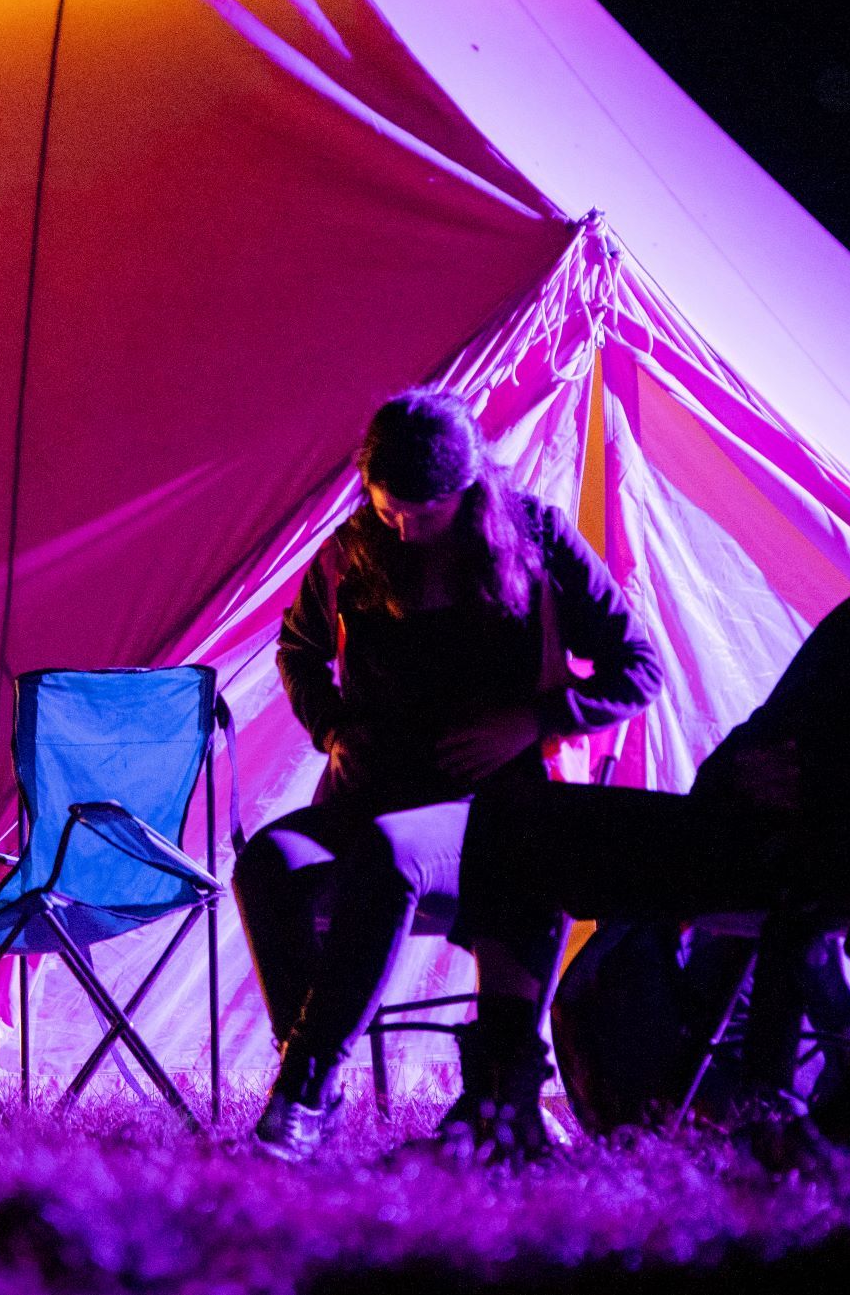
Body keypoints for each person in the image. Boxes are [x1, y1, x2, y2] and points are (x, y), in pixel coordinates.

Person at [447, 423, 850, 1156]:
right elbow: (767, 731)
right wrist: (749, 776)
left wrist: (827, 780)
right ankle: (504, 1099)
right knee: (514, 813)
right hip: (769, 838)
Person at [239, 388, 661, 1158]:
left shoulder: (534, 537)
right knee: (269, 863)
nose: (403, 527)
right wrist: (333, 728)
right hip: (374, 793)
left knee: (391, 854)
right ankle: (314, 1076)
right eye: (388, 505)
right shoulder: (352, 549)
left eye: (422, 513)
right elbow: (298, 650)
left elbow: (639, 667)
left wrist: (534, 720)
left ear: (466, 490)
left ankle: (302, 1085)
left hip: (498, 811)